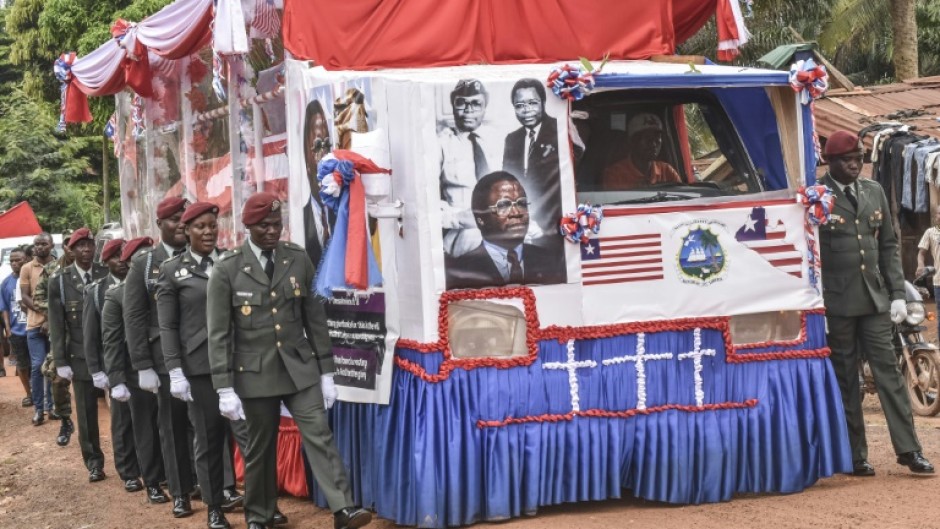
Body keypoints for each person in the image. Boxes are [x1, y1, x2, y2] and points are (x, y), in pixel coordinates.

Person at [206, 192, 371, 529]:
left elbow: (315, 318)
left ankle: (344, 508)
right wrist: (224, 387)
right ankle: (260, 514)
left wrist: (327, 371)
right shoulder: (227, 269)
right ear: (248, 226)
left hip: (300, 368)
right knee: (260, 447)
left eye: (276, 224)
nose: (271, 231)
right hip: (254, 373)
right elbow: (219, 334)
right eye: (264, 225)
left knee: (319, 434)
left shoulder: (295, 257)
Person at [818, 130, 934, 476]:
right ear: (830, 162)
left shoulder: (874, 191)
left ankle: (910, 450)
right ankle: (855, 455)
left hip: (874, 299)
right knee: (846, 381)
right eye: (847, 160)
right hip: (835, 303)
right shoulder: (817, 196)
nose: (855, 166)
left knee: (890, 376)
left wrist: (898, 294)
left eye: (859, 159)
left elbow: (888, 246)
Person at [156, 202, 251, 529]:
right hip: (199, 369)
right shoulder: (172, 270)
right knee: (209, 440)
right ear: (187, 231)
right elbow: (167, 326)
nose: (209, 232)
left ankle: (259, 505)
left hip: (238, 362)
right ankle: (214, 508)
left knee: (250, 436)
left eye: (213, 225)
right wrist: (175, 370)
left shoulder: (232, 261)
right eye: (201, 227)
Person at [124, 196, 197, 517]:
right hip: (163, 360)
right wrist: (142, 365)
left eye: (185, 219)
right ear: (160, 225)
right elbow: (135, 317)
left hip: (201, 354)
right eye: (175, 220)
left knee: (207, 427)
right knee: (172, 426)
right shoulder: (145, 263)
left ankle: (211, 487)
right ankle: (180, 492)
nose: (182, 225)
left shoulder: (199, 257)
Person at [103, 237, 170, 503]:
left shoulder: (166, 285)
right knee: (144, 428)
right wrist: (117, 379)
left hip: (166, 366)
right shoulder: (116, 296)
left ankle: (172, 476)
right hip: (135, 372)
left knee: (168, 426)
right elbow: (112, 341)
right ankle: (152, 481)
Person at [83, 238, 144, 493]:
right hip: (114, 364)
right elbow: (91, 334)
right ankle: (128, 471)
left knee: (147, 417)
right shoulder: (97, 291)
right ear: (105, 262)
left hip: (141, 362)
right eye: (115, 256)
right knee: (122, 420)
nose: (121, 261)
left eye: (124, 255)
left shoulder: (139, 282)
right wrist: (97, 369)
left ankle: (152, 467)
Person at [48, 228, 109, 480]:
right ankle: (94, 462)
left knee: (124, 412)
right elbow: (57, 323)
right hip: (80, 355)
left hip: (109, 354)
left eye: (89, 245)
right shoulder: (59, 281)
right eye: (80, 246)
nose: (86, 250)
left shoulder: (106, 274)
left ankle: (133, 462)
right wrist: (60, 361)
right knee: (86, 414)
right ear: (71, 250)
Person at [445, 172, 566, 290]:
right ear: (480, 219)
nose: (517, 213)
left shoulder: (551, 261)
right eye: (503, 206)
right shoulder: (460, 271)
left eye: (522, 203)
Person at [439, 78, 498, 257]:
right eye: (461, 103)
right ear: (452, 105)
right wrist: (457, 219)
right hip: (462, 229)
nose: (468, 111)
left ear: (484, 107)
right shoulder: (440, 143)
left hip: (499, 223)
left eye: (475, 104)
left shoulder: (497, 139)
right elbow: (426, 198)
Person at [502, 78, 562, 243]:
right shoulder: (512, 139)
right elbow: (508, 183)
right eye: (519, 106)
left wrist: (543, 225)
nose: (526, 110)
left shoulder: (560, 129)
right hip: (523, 225)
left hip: (554, 225)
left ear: (543, 102)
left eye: (532, 103)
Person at [19, 232, 57, 426]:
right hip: (34, 325)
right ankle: (38, 409)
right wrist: (44, 313)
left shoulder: (59, 266)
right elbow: (25, 297)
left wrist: (51, 319)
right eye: (37, 244)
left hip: (56, 325)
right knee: (37, 366)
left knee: (52, 367)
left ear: (51, 246)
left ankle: (52, 407)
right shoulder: (27, 268)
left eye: (43, 244)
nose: (39, 247)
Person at [602, 112, 682, 190]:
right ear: (633, 142)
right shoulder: (615, 174)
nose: (654, 144)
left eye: (657, 138)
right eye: (648, 138)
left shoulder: (667, 171)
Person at [303, 99, 336, 267]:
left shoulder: (342, 213)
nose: (324, 156)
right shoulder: (300, 220)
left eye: (327, 145)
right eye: (317, 146)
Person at [1, 247, 31, 405]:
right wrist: (8, 328)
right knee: (21, 364)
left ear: (25, 259)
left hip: (34, 328)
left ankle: (42, 393)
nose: (14, 263)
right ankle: (29, 393)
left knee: (37, 364)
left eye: (17, 259)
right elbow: (4, 307)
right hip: (17, 330)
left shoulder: (32, 277)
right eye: (11, 260)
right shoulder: (6, 283)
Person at [915, 209, 940, 337]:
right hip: (938, 281)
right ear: (936, 216)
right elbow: (921, 253)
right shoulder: (930, 232)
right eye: (939, 213)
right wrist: (920, 264)